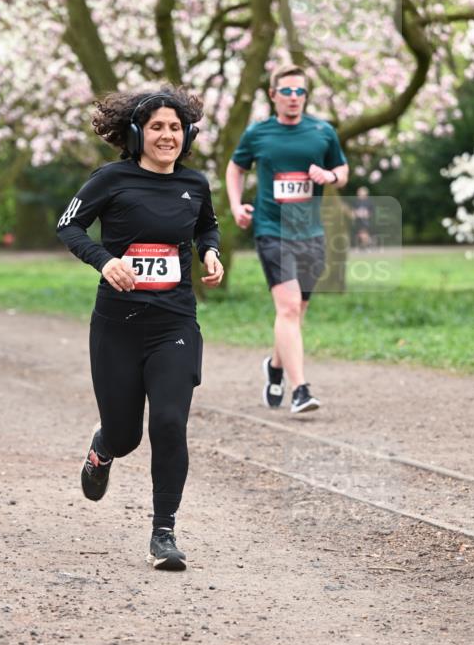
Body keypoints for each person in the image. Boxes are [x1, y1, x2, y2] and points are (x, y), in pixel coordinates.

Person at [57, 86, 223, 571]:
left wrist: (209, 251)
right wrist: (105, 261)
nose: (167, 135)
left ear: (186, 133)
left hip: (174, 322)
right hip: (117, 327)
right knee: (126, 435)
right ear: (137, 133)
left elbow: (206, 227)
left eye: (175, 127)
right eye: (156, 127)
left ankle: (164, 532)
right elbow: (68, 227)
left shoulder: (195, 184)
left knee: (169, 423)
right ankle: (104, 447)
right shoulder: (110, 180)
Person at [226, 64, 348, 414]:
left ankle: (275, 367)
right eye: (287, 91)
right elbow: (235, 168)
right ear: (273, 95)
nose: (294, 98)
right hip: (271, 230)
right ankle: (300, 390)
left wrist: (329, 175)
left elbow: (342, 170)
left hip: (310, 233)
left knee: (298, 310)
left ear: (306, 97)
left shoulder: (323, 132)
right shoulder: (257, 133)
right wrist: (236, 205)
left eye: (300, 92)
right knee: (289, 307)